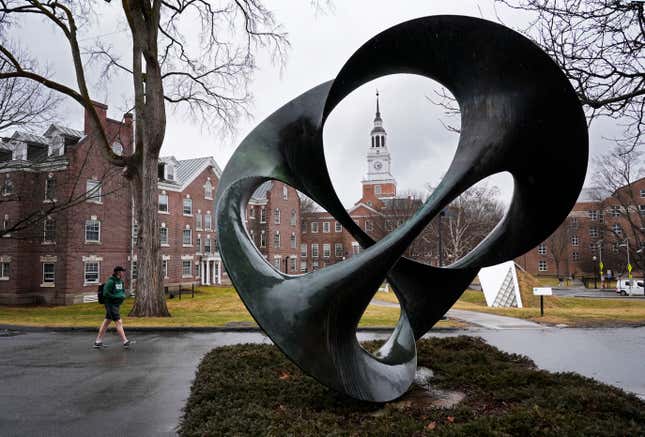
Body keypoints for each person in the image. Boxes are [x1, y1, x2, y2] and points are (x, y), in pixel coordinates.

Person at [94, 266, 135, 349]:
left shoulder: (120, 281)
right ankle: (125, 341)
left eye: (123, 271)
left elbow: (122, 291)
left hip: (116, 304)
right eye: (122, 271)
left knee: (107, 322)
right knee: (119, 321)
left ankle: (98, 342)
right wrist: (116, 296)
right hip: (110, 304)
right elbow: (106, 293)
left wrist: (122, 296)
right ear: (117, 272)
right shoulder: (111, 281)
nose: (123, 273)